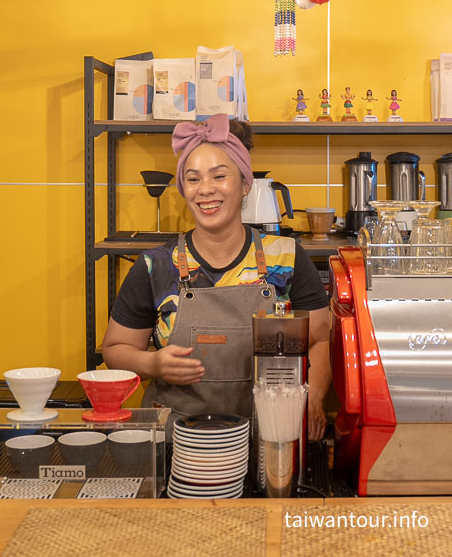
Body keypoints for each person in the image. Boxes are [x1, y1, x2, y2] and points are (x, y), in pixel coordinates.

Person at [102, 114, 332, 439]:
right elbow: (115, 349)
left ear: (245, 183)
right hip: (176, 442)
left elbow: (320, 339)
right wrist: (152, 364)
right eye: (193, 179)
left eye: (219, 176)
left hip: (270, 437)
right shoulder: (155, 265)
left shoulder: (288, 257)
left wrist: (315, 398)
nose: (206, 190)